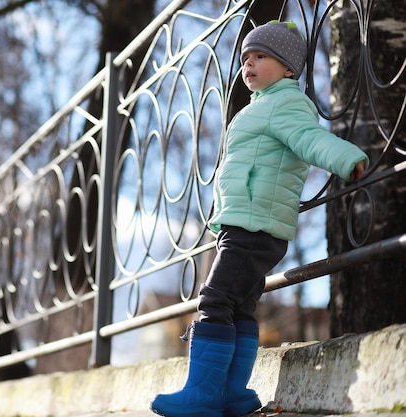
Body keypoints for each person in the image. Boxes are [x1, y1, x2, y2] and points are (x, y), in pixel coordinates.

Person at [150, 20, 368, 417]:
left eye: (261, 56)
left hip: (253, 226)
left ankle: (201, 396)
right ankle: (234, 395)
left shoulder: (284, 104)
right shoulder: (261, 107)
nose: (248, 64)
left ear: (287, 68)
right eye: (246, 57)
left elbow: (309, 138)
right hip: (248, 224)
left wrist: (346, 158)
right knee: (239, 307)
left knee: (214, 301)